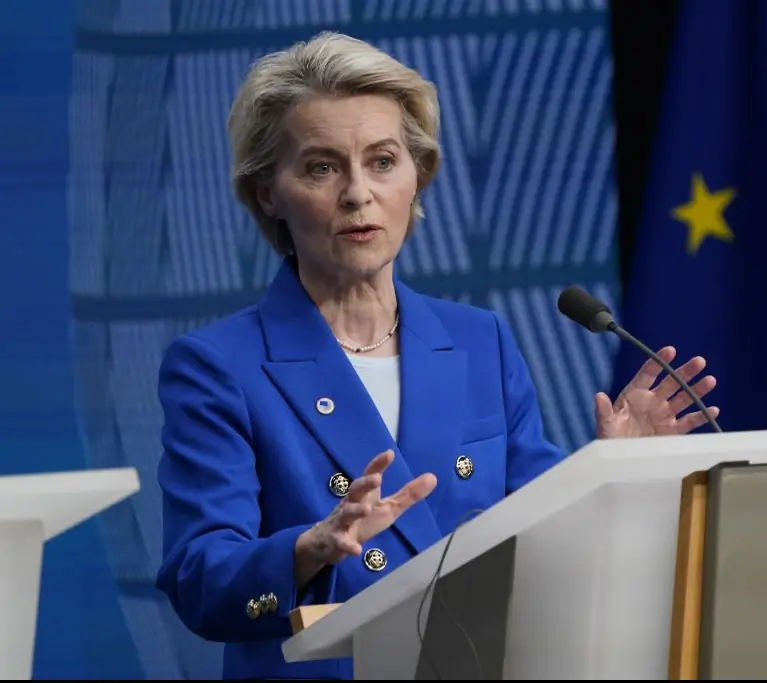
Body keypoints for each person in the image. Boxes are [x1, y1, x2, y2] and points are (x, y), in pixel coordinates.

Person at [154, 31, 720, 681]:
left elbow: (542, 538)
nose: (358, 193)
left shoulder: (480, 341)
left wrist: (610, 474)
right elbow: (200, 577)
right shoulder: (218, 365)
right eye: (321, 166)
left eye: (383, 161)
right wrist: (307, 548)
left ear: (418, 176)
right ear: (266, 193)